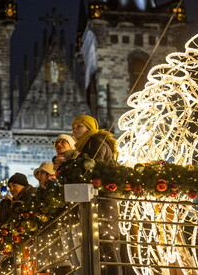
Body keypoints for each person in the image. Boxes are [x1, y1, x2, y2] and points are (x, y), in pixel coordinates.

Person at [71, 115, 123, 275]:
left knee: (105, 245)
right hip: (98, 200)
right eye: (73, 127)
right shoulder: (87, 144)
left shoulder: (95, 141)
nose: (75, 130)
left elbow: (94, 167)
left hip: (102, 201)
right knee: (100, 247)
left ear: (89, 127)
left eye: (79, 126)